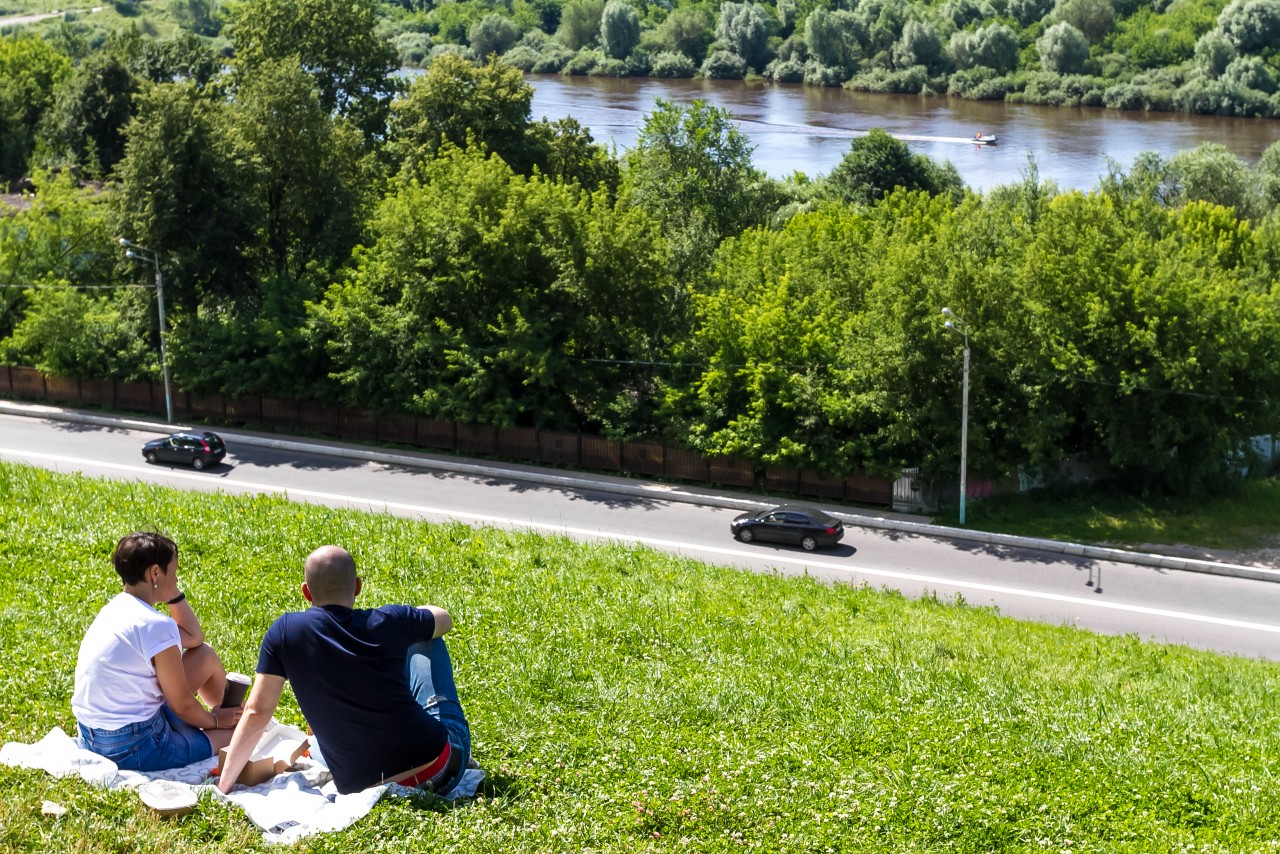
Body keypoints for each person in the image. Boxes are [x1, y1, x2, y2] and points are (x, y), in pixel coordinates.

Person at [216, 545, 472, 796]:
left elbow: (256, 712)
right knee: (428, 639)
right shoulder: (390, 620)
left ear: (306, 592)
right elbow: (444, 619)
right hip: (437, 771)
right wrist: (413, 616)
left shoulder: (285, 632)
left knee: (316, 744)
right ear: (358, 586)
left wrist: (224, 786)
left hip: (360, 786)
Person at [72, 532, 243, 771]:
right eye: (174, 571)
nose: (176, 578)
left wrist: (170, 591)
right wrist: (215, 721)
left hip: (90, 736)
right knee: (237, 733)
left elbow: (195, 639)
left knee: (204, 654)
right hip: (133, 745)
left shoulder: (114, 609)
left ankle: (225, 715)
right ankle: (228, 720)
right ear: (155, 572)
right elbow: (182, 704)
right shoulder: (155, 625)